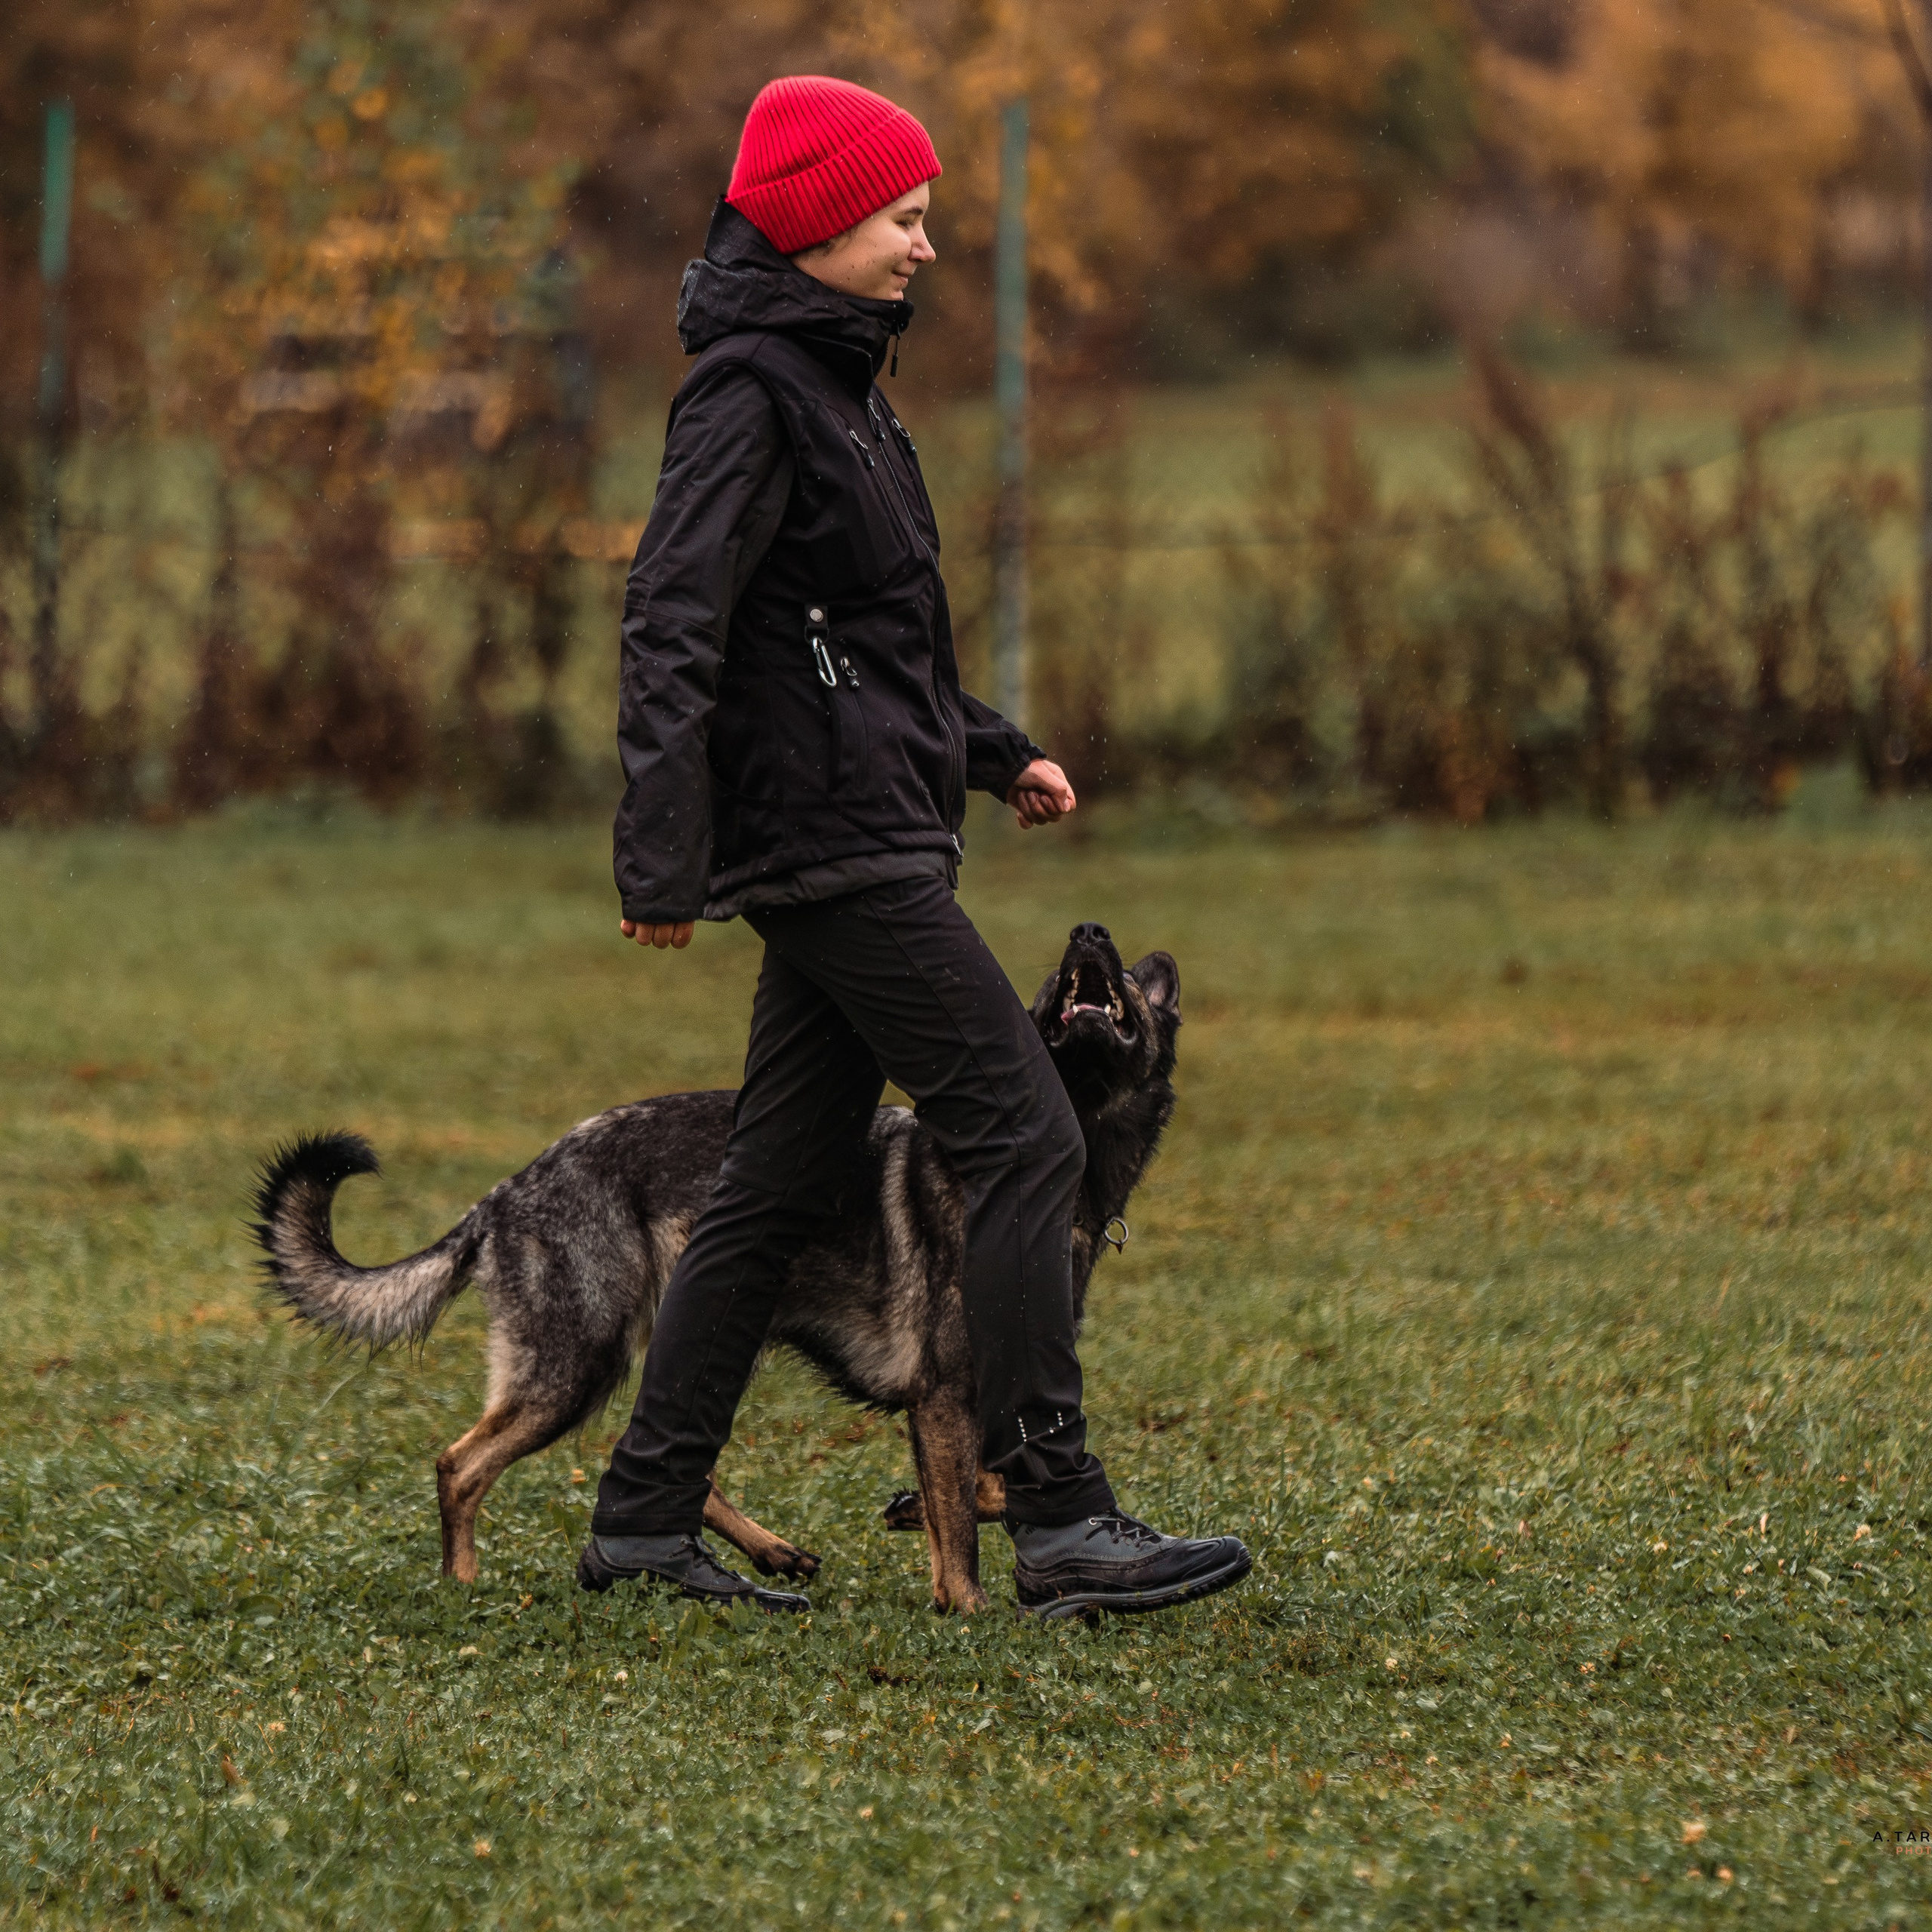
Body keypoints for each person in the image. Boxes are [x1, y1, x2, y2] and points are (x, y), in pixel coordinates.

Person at [580, 75, 1250, 1619]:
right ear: (817, 227)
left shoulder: (844, 390)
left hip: (878, 819)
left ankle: (642, 1516)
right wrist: (660, 855)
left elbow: (849, 645)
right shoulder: (747, 394)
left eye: (926, 216)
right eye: (900, 216)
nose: (924, 247)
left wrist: (986, 746)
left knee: (776, 1176)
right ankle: (1062, 1515)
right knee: (1029, 1136)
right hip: (830, 848)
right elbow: (675, 619)